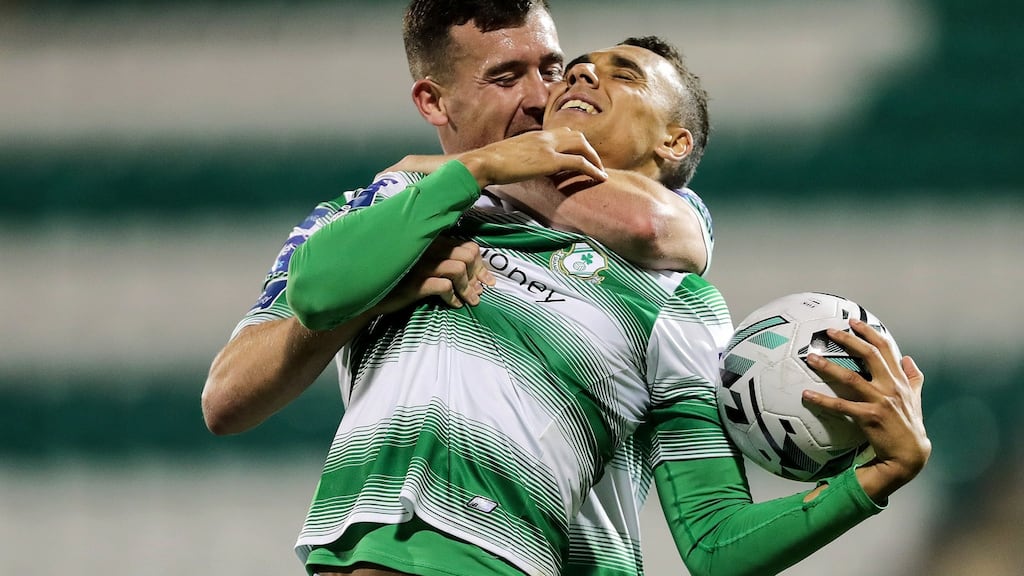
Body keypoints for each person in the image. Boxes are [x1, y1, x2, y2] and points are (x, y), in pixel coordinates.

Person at [282, 35, 929, 576]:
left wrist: (879, 476)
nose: (584, 72)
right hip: (352, 551)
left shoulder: (676, 297)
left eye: (624, 75)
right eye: (581, 66)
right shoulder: (448, 222)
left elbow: (714, 543)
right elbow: (311, 293)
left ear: (674, 143)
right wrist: (467, 171)